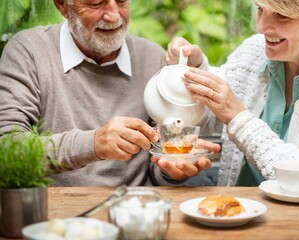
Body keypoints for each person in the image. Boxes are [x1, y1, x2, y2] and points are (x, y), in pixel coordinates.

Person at [0, 0, 220, 186]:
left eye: (122, 0)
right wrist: (93, 144)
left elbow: (157, 167)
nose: (114, 15)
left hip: (133, 212)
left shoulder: (152, 56)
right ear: (62, 6)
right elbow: (7, 151)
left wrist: (171, 170)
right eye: (96, 2)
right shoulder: (29, 51)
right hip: (56, 215)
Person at [165, 0, 299, 188]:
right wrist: (194, 70)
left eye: (281, 15)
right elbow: (212, 115)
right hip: (235, 212)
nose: (262, 27)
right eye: (260, 10)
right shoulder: (255, 50)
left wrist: (239, 119)